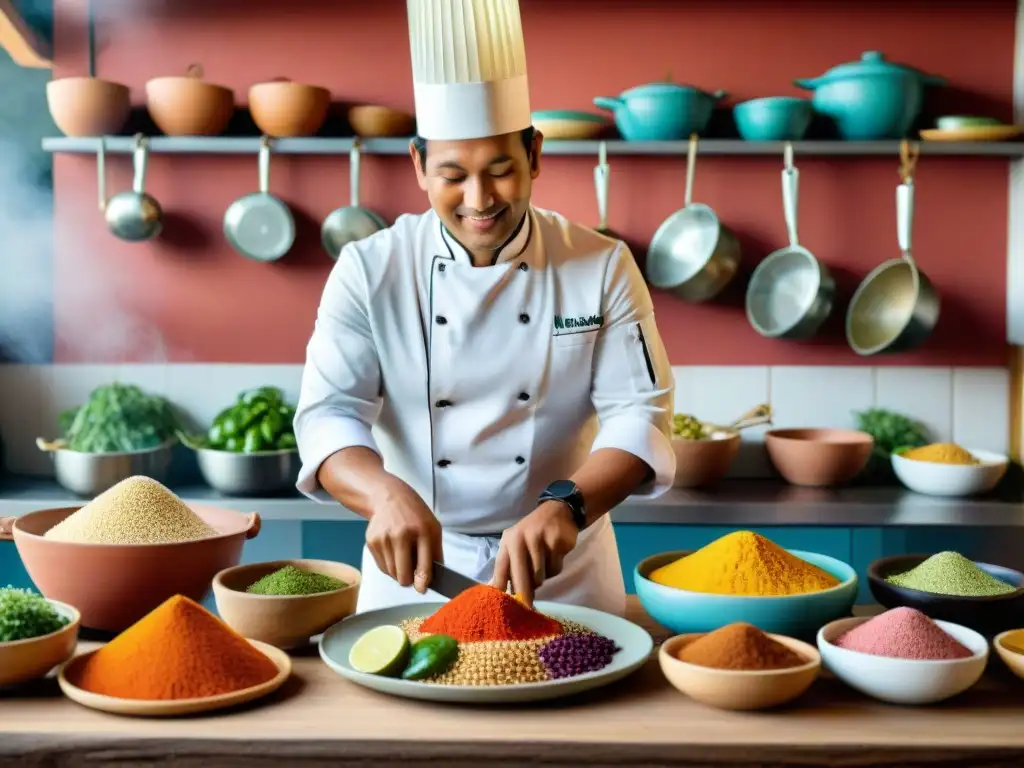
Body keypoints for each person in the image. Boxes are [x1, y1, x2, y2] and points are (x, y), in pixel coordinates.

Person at [294, 0, 675, 617]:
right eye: (452, 175)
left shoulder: (601, 264)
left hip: (563, 574)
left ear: (536, 155)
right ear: (418, 166)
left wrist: (567, 506)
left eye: (501, 170)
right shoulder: (370, 269)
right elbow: (327, 417)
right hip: (415, 575)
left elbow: (642, 416)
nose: (479, 199)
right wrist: (382, 492)